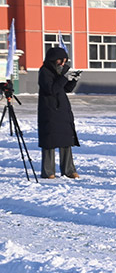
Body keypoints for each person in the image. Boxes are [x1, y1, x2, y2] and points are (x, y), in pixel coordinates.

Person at [37, 47, 81, 179]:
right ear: (53, 60)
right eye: (60, 61)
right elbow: (51, 89)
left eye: (64, 61)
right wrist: (63, 77)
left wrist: (73, 79)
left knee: (66, 140)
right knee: (49, 141)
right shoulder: (44, 71)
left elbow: (65, 88)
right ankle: (48, 171)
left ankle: (68, 170)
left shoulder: (60, 72)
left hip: (62, 110)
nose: (62, 64)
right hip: (49, 110)